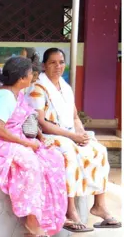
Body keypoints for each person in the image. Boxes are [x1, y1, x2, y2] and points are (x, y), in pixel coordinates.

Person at [27, 48, 121, 232]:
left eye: (61, 62)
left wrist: (82, 134)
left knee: (98, 150)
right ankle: (70, 210)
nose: (58, 66)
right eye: (53, 62)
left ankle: (99, 205)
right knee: (68, 153)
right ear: (44, 65)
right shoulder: (38, 88)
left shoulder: (66, 87)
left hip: (69, 133)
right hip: (49, 135)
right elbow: (41, 123)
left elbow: (75, 117)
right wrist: (72, 136)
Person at [0, 57, 67, 236]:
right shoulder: (4, 96)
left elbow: (28, 117)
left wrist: (40, 138)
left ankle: (49, 215)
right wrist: (27, 143)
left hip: (12, 137)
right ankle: (31, 222)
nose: (32, 76)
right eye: (29, 74)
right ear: (21, 78)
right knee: (30, 162)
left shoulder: (17, 93)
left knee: (53, 157)